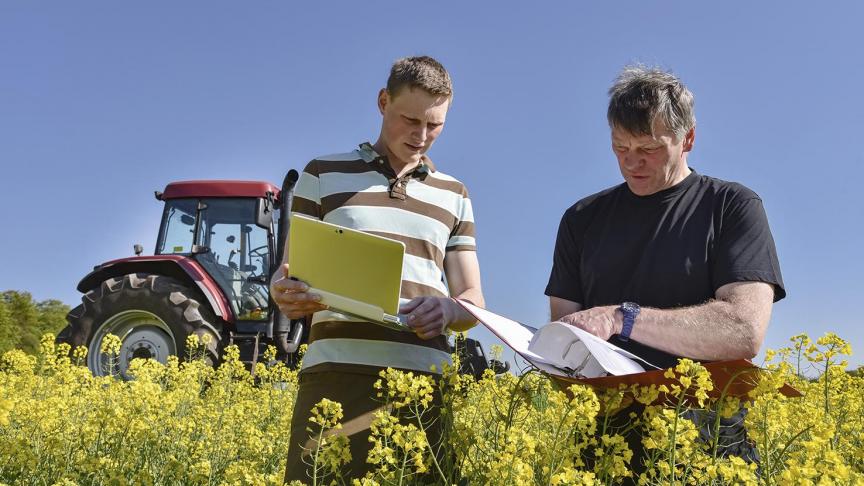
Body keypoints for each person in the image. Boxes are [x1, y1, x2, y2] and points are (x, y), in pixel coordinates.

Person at [545, 65, 785, 475]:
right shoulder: (581, 218)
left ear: (688, 138)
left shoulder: (732, 206)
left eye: (649, 148)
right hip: (603, 446)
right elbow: (565, 333)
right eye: (620, 147)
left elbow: (743, 330)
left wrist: (622, 318)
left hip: (707, 450)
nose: (631, 162)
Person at [272, 56, 484, 481]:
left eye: (435, 125)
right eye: (411, 120)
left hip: (422, 382)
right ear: (383, 101)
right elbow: (288, 271)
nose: (421, 136)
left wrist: (447, 309)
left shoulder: (455, 194)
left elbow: (473, 300)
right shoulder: (322, 174)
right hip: (335, 376)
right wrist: (284, 292)